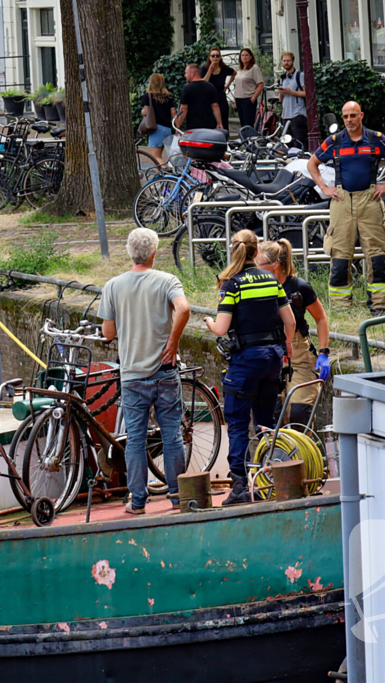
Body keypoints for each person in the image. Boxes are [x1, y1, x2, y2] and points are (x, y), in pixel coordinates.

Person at [99, 228, 190, 515]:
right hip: (164, 370)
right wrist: (173, 341)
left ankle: (138, 501)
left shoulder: (113, 286)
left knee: (136, 440)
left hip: (133, 374)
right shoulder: (167, 281)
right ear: (154, 253)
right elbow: (184, 309)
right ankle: (177, 497)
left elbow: (108, 333)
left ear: (130, 252)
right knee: (172, 435)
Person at [203, 230, 295, 506]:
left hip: (245, 362)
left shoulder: (231, 284)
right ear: (256, 252)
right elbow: (289, 322)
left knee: (239, 424)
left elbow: (221, 329)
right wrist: (284, 348)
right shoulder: (271, 279)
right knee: (266, 423)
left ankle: (241, 485)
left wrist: (208, 321)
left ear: (236, 252)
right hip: (272, 360)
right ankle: (270, 480)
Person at [307, 101, 385, 315]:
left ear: (361, 116)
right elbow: (312, 164)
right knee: (339, 257)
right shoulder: (335, 141)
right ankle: (341, 309)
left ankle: (379, 306)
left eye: (353, 115)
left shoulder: (376, 139)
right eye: (345, 116)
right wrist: (324, 187)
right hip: (342, 201)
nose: (349, 120)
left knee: (377, 257)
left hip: (370, 201)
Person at [255, 239, 331, 426]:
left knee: (299, 414)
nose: (255, 268)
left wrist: (324, 352)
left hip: (298, 355)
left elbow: (321, 318)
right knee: (272, 416)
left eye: (259, 264)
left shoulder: (299, 287)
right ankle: (275, 455)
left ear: (275, 265)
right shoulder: (256, 287)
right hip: (270, 354)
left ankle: (302, 453)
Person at [139, 73, 177, 166]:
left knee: (156, 157)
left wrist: (142, 111)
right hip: (167, 129)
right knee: (160, 155)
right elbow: (173, 113)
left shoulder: (148, 96)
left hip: (156, 128)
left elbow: (146, 112)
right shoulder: (169, 96)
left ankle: (165, 175)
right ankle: (161, 178)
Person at [176, 64, 223, 132]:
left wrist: (178, 126)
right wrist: (219, 123)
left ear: (192, 73)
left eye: (186, 73)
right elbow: (215, 106)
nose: (185, 75)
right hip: (209, 126)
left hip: (193, 127)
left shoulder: (187, 88)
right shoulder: (210, 86)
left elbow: (183, 109)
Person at [277, 52, 307, 150]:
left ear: (293, 61)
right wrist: (281, 92)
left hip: (297, 114)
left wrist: (291, 92)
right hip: (285, 115)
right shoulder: (282, 78)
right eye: (284, 61)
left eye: (288, 61)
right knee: (287, 145)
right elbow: (281, 99)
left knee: (299, 144)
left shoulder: (299, 75)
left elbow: (307, 93)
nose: (286, 63)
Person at [200, 48, 235, 131]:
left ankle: (224, 140)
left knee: (223, 120)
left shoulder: (224, 68)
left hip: (220, 97)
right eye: (213, 56)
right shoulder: (204, 68)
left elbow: (234, 73)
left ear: (220, 58)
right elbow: (204, 82)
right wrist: (210, 70)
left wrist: (227, 86)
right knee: (211, 121)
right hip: (208, 98)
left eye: (217, 56)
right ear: (209, 57)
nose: (215, 58)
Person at [232, 48, 264, 129]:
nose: (244, 57)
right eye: (242, 55)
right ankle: (245, 141)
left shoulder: (254, 68)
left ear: (250, 57)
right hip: (239, 99)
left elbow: (260, 84)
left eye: (246, 55)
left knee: (248, 124)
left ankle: (250, 140)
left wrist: (253, 98)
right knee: (243, 124)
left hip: (248, 99)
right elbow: (238, 85)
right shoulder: (240, 69)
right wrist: (235, 100)